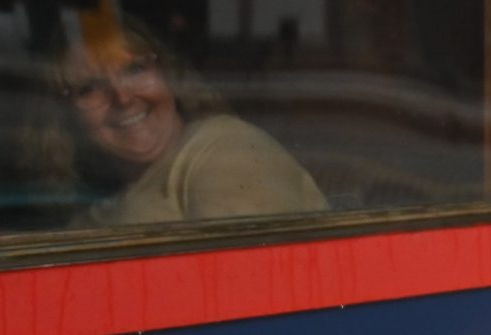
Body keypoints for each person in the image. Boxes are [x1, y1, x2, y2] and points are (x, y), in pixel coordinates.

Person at [35, 18, 328, 227]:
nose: (122, 97)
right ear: (65, 116)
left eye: (135, 69)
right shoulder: (88, 203)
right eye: (89, 88)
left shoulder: (221, 149)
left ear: (169, 76)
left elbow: (250, 286)